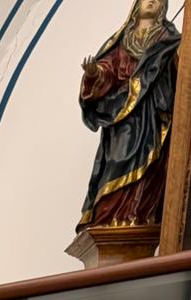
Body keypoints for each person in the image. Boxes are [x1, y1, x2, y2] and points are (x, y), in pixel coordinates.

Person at [77, 0, 180, 233]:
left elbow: (179, 75)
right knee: (117, 162)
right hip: (123, 118)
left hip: (154, 115)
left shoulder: (169, 39)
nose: (152, 1)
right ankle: (109, 217)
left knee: (151, 166)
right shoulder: (122, 40)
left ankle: (137, 215)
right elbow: (108, 69)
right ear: (136, 6)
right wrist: (94, 74)